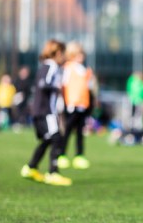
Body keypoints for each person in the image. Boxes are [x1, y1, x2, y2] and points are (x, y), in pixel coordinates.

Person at [20, 39, 72, 186]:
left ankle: (31, 168)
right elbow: (44, 84)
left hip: (41, 110)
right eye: (63, 53)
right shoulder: (51, 66)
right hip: (46, 111)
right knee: (56, 138)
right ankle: (53, 173)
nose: (64, 57)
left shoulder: (47, 66)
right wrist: (57, 88)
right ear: (57, 53)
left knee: (49, 139)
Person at [58, 42, 94, 170]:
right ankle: (61, 154)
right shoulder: (68, 68)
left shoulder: (83, 69)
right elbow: (63, 86)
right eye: (79, 53)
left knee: (80, 131)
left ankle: (79, 155)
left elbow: (88, 87)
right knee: (67, 131)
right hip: (71, 104)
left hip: (82, 105)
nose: (82, 56)